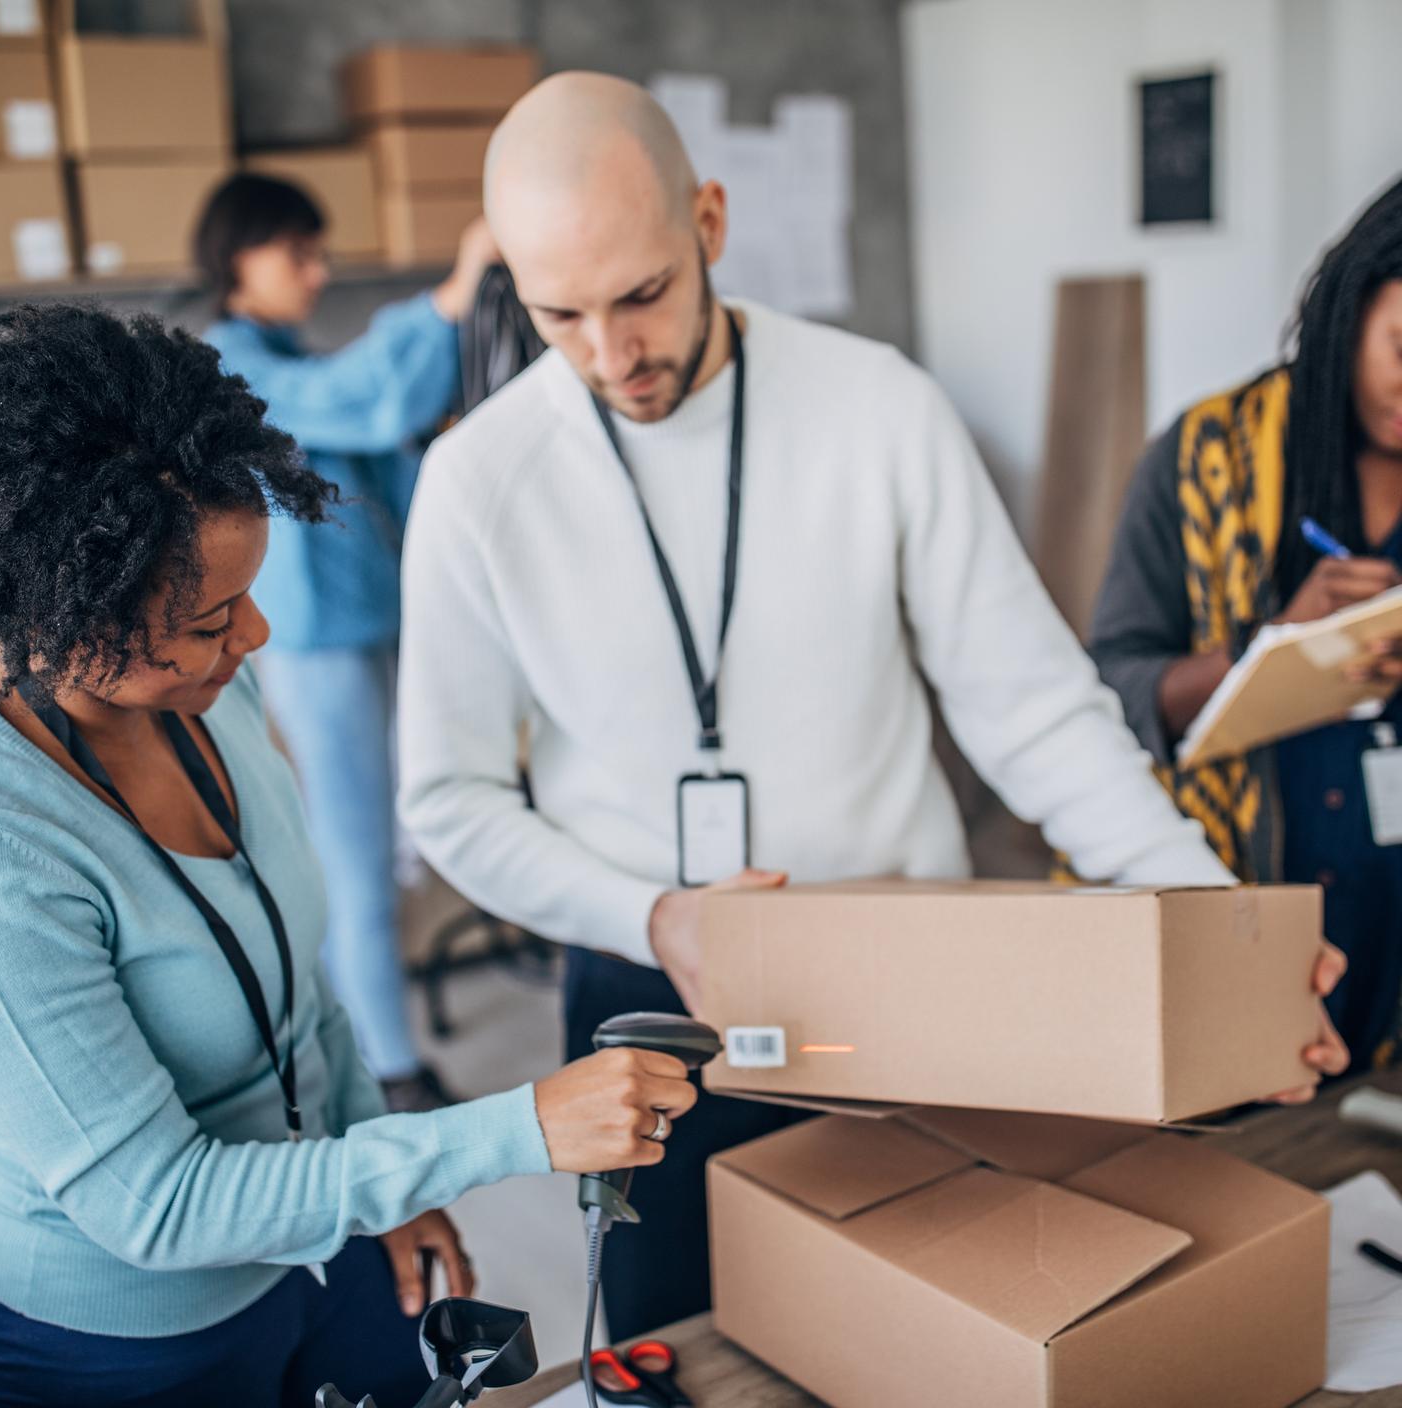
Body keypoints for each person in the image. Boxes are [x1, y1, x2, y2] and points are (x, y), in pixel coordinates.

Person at [395, 72, 1348, 1340]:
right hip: (647, 998)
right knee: (673, 1340)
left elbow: (1034, 710)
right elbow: (448, 797)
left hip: (908, 986)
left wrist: (1217, 930)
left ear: (711, 226)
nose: (611, 356)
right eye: (557, 313)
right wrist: (653, 914)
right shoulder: (474, 482)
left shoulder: (877, 405)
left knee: (930, 1327)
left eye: (643, 296)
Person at [0, 303, 697, 1408]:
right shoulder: (10, 853)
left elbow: (299, 985)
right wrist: (510, 1129)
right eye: (211, 619)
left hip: (314, 1250)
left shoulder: (209, 701)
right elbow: (158, 1207)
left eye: (248, 595)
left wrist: (378, 1179)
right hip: (134, 1336)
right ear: (70, 621)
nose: (258, 638)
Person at [196, 173, 499, 1111]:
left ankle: (369, 1052)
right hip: (317, 650)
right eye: (299, 252)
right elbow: (363, 401)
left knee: (372, 843)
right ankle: (388, 1073)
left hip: (363, 634)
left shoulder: (289, 361)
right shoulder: (230, 369)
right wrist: (453, 294)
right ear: (237, 257)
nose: (318, 272)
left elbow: (392, 444)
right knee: (354, 850)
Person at [1092, 176, 1402, 1073]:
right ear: (1352, 301)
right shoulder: (1201, 461)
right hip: (1232, 918)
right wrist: (1272, 649)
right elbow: (1105, 694)